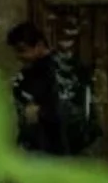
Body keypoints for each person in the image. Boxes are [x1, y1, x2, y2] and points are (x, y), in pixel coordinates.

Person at [7, 22, 65, 154]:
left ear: (39, 46)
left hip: (53, 149)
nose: (19, 56)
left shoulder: (55, 71)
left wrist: (40, 112)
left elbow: (65, 108)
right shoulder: (30, 72)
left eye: (22, 50)